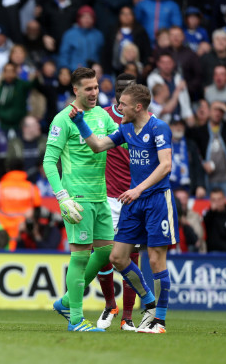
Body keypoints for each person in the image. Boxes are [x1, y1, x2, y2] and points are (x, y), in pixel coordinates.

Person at [69, 83, 179, 334]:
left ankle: (158, 321)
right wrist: (80, 123)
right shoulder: (126, 128)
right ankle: (148, 299)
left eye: (124, 105)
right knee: (117, 257)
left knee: (155, 259)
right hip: (134, 201)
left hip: (157, 201)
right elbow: (97, 146)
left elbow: (165, 166)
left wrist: (138, 189)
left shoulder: (159, 128)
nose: (118, 108)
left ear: (138, 106)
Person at [44, 67, 116, 332]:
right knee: (80, 257)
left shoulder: (102, 115)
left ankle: (65, 301)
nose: (94, 92)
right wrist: (62, 198)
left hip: (101, 195)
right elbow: (49, 162)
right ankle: (75, 319)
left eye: (96, 87)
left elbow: (119, 141)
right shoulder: (63, 119)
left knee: (108, 251)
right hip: (77, 198)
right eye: (88, 88)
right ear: (75, 90)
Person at [96, 73, 139, 331]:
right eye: (121, 90)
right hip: (107, 196)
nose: (124, 95)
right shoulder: (102, 116)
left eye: (129, 90)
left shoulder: (146, 121)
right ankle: (110, 304)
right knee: (103, 255)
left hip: (134, 197)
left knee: (130, 258)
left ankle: (128, 317)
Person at [0, 158, 41, 251]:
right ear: (23, 169)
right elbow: (37, 209)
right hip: (23, 232)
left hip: (1, 232)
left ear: (8, 170)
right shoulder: (32, 188)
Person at [203, 188, 226, 252]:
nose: (217, 203)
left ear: (224, 199)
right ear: (210, 201)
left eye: (219, 199)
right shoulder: (208, 216)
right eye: (213, 200)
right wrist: (212, 211)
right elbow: (206, 221)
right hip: (213, 254)